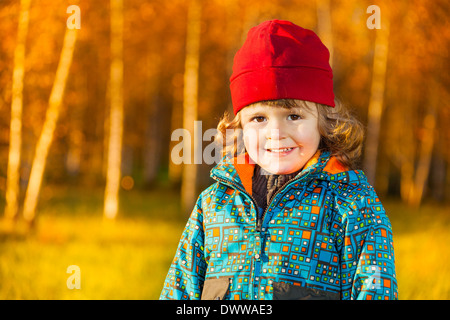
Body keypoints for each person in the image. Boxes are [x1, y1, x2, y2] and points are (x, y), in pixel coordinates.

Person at [160, 19, 398, 300]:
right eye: (259, 118)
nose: (276, 133)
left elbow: (375, 289)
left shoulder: (352, 203)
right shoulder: (213, 205)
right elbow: (179, 291)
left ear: (324, 122)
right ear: (240, 127)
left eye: (293, 116)